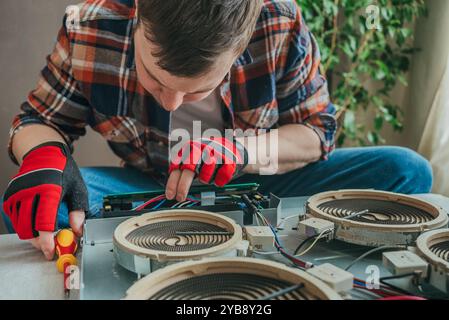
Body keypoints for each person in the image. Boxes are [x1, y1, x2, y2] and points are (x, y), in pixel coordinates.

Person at [2, 0, 432, 260]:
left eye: (196, 91)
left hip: (263, 185)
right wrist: (43, 157)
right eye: (155, 79)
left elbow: (316, 132)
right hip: (151, 188)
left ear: (239, 48)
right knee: (24, 206)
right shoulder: (90, 26)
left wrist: (243, 151)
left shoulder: (278, 21)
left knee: (407, 171)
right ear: (139, 19)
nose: (170, 103)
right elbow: (38, 122)